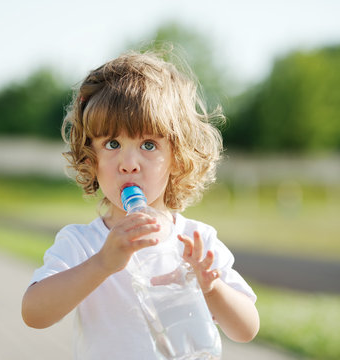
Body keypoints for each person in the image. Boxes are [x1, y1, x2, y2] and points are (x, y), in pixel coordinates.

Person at [21, 49, 259, 359]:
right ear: (91, 158)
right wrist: (102, 264)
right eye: (112, 144)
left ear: (178, 156)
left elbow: (246, 329)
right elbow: (34, 314)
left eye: (149, 145)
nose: (129, 163)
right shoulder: (84, 244)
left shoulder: (196, 241)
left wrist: (210, 287)